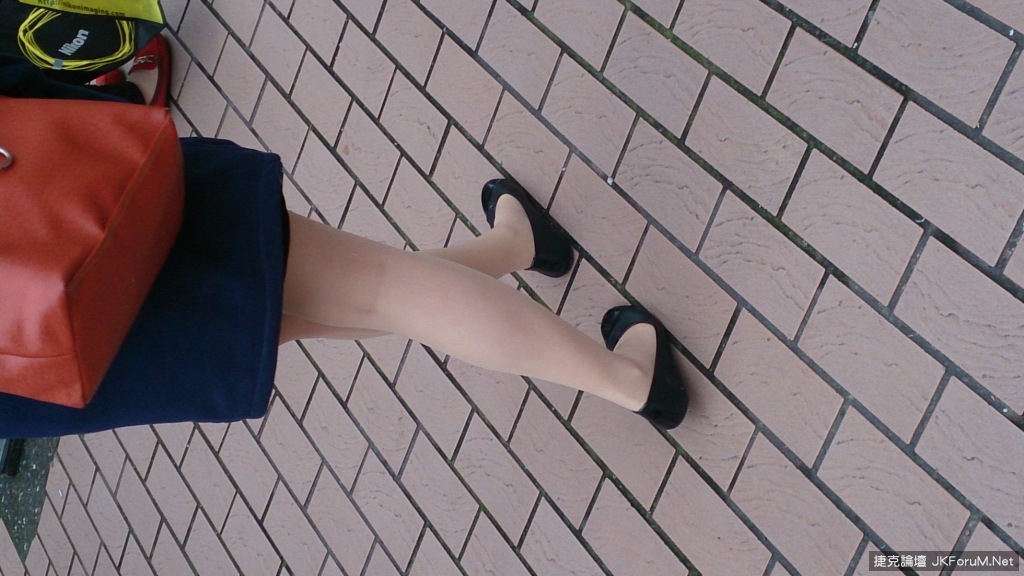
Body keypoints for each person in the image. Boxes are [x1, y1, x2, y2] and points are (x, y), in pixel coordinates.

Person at [0, 47, 688, 439]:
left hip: (39, 344)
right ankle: (628, 380)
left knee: (312, 305)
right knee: (377, 288)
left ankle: (512, 247)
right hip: (62, 210)